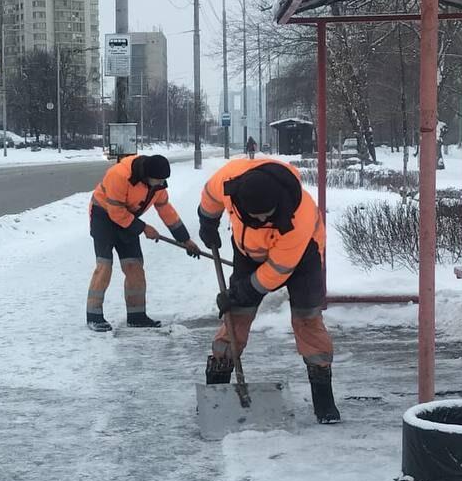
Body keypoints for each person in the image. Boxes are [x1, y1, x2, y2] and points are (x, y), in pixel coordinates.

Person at [197, 157, 341, 424]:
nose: (263, 218)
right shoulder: (230, 180)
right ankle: (217, 389)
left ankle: (324, 399)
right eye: (256, 216)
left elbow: (276, 271)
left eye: (267, 214)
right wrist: (207, 221)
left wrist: (242, 291)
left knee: (307, 319)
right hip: (248, 251)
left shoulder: (299, 216)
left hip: (303, 258)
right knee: (236, 315)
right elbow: (210, 194)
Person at [87, 153, 201, 331]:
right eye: (158, 180)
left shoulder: (158, 185)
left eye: (163, 180)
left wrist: (185, 240)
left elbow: (166, 210)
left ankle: (136, 316)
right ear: (146, 175)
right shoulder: (119, 175)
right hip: (103, 216)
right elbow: (115, 212)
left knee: (134, 266)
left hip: (128, 218)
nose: (161, 184)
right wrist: (143, 228)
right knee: (105, 265)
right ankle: (94, 316)